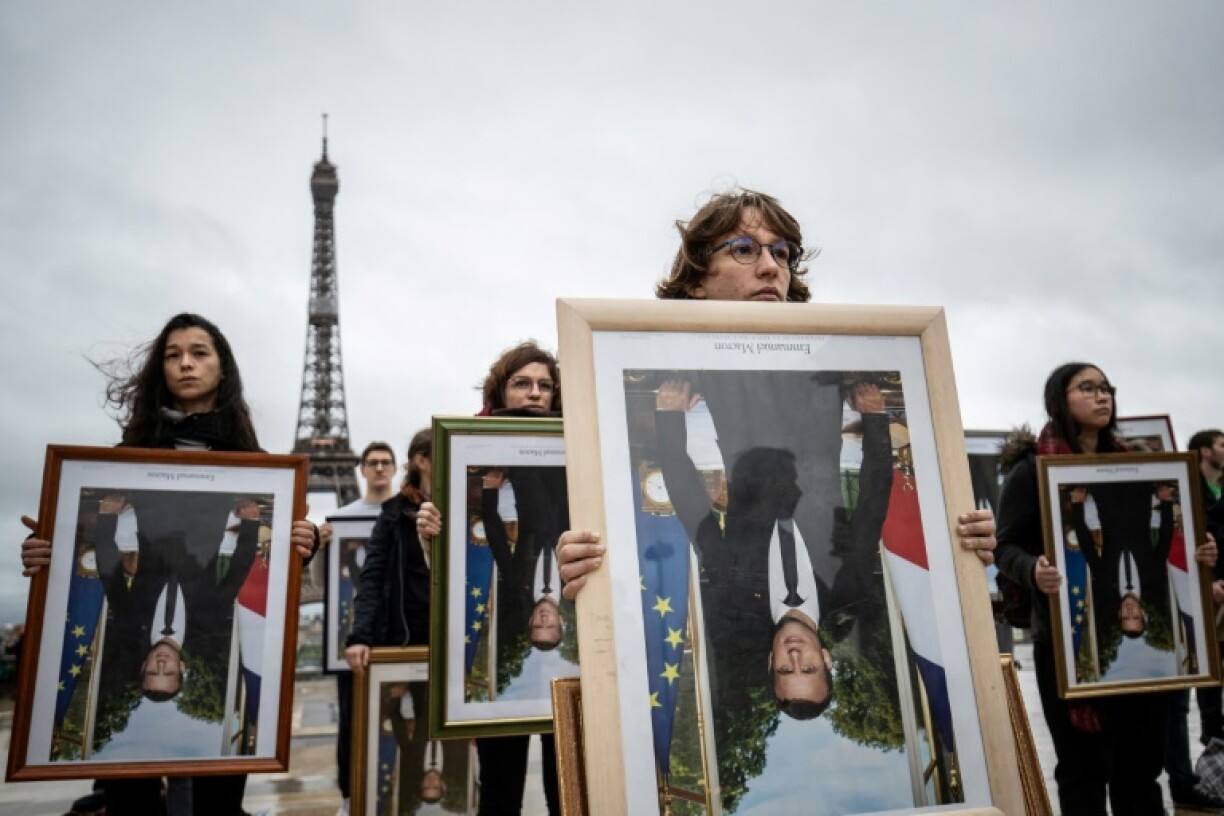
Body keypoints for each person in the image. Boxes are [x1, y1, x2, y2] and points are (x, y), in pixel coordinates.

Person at [555, 189, 998, 599]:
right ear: (695, 281)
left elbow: (902, 485)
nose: (771, 266)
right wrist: (587, 562)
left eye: (782, 253)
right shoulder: (640, 379)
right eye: (745, 250)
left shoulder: (839, 371)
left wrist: (957, 532)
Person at [20, 312, 321, 816]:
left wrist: (302, 540)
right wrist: (49, 554)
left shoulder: (257, 463)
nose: (185, 363)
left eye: (199, 353)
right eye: (173, 354)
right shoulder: (124, 458)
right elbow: (97, 555)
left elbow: (120, 571)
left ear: (223, 367)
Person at [994, 362, 1218, 815]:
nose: (1103, 397)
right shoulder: (1033, 470)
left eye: (1107, 388)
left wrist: (1202, 551)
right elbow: (1006, 547)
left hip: (1143, 672)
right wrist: (1032, 569)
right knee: (1083, 772)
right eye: (1089, 388)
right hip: (1064, 644)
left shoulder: (1138, 465)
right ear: (1061, 398)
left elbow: (1172, 538)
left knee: (1141, 772)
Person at [651, 376, 891, 718]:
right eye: (807, 669)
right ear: (825, 659)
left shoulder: (735, 594)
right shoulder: (848, 588)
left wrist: (670, 417)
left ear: (770, 662)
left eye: (784, 670)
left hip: (739, 408)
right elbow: (873, 503)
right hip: (813, 405)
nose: (794, 657)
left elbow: (692, 507)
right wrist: (874, 419)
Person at [417, 341, 564, 816]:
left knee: (569, 787)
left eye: (545, 385)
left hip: (565, 668)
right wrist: (432, 534)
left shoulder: (578, 448)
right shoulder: (466, 457)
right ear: (500, 387)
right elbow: (471, 550)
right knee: (500, 789)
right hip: (500, 655)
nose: (534, 393)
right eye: (522, 383)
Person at [320, 440, 398, 815]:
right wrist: (322, 550)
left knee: (400, 715)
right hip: (354, 639)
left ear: (395, 469)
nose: (380, 469)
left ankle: (396, 792)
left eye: (386, 462)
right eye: (373, 463)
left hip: (397, 637)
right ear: (361, 470)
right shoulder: (342, 519)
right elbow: (325, 584)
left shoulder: (407, 514)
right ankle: (351, 795)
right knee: (351, 720)